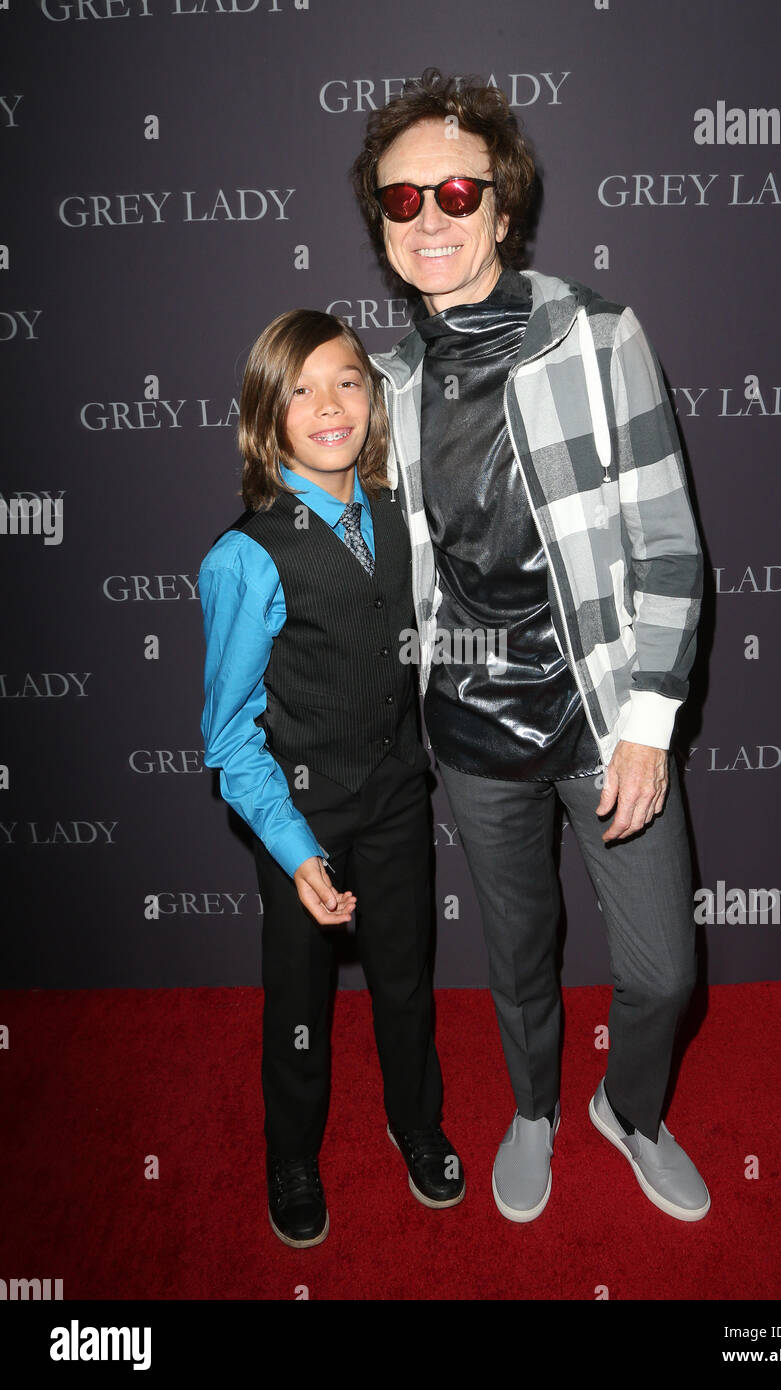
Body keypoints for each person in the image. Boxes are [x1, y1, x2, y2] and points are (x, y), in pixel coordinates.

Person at [351, 71, 710, 1224]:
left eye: (457, 190)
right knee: (518, 958)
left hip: (603, 714)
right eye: (402, 203)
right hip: (470, 730)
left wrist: (649, 720)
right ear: (384, 231)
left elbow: (666, 540)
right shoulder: (389, 387)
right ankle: (535, 1109)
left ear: (503, 208)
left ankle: (631, 1109)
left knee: (662, 970)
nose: (431, 217)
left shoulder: (596, 334)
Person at [198, 309, 464, 1249]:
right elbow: (228, 738)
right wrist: (296, 848)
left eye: (346, 380)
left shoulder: (395, 515)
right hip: (297, 813)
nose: (327, 404)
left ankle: (417, 1124)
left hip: (396, 796)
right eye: (299, 389)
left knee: (404, 979)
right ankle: (292, 1156)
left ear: (372, 398)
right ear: (266, 418)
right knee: (298, 1001)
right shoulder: (244, 557)